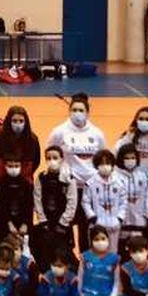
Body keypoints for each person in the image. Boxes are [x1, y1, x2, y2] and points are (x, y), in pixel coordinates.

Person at [45, 93, 107, 246]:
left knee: (87, 229)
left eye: (81, 110)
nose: (77, 113)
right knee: (65, 227)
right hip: (68, 188)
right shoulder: (59, 132)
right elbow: (50, 153)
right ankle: (68, 263)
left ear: (87, 112)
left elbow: (103, 157)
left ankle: (86, 262)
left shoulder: (97, 134)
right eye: (74, 110)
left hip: (90, 190)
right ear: (69, 111)